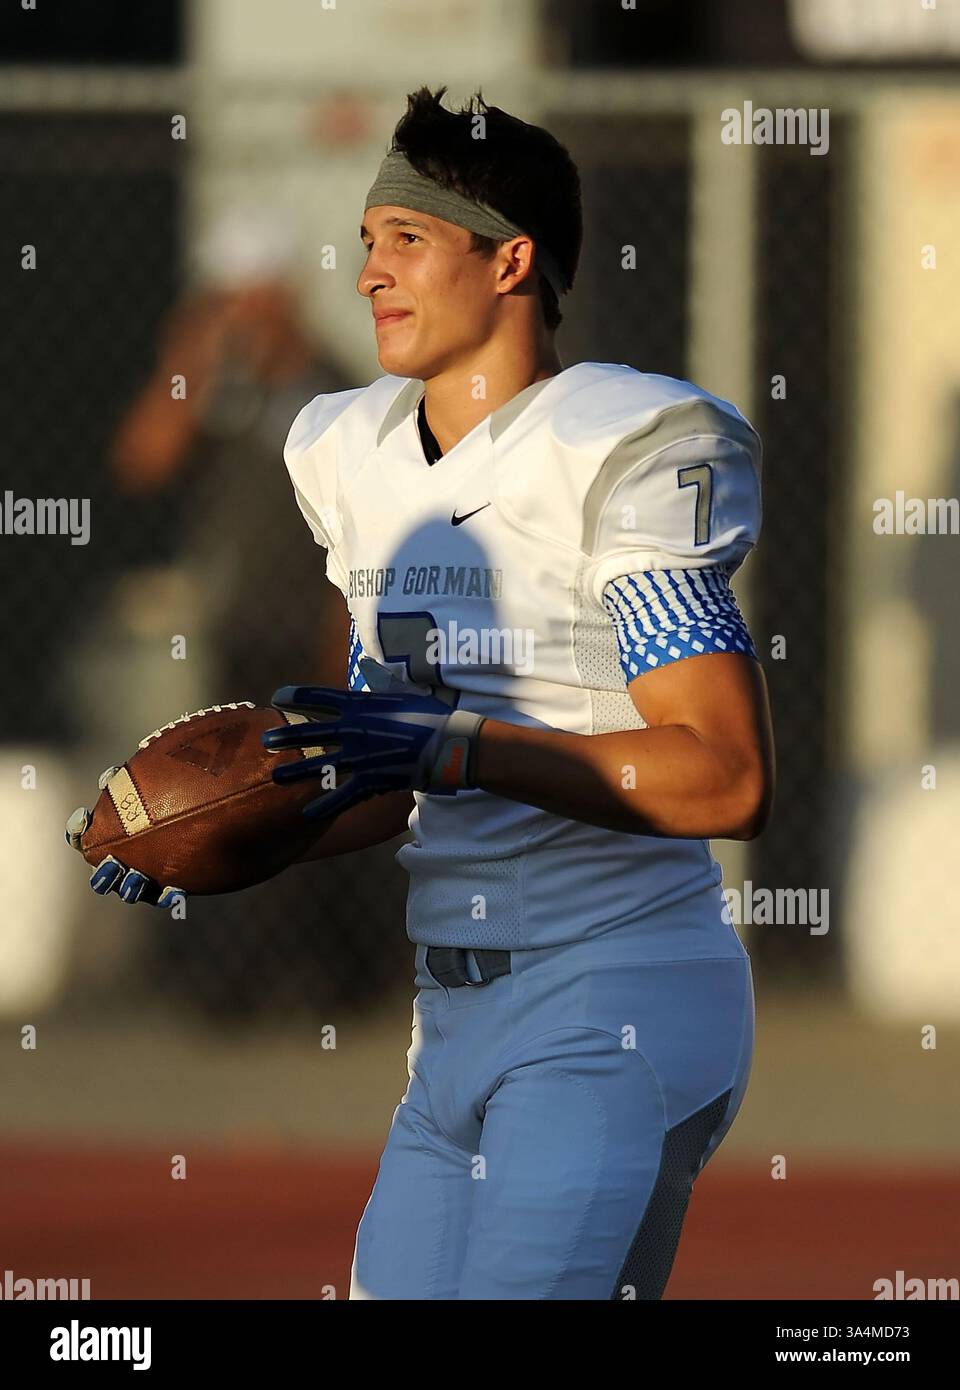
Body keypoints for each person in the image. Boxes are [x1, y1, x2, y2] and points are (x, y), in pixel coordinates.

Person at [69, 86, 775, 1298]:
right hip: (448, 1022)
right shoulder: (352, 455)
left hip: (607, 1003)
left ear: (511, 260)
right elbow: (383, 773)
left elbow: (725, 771)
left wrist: (458, 746)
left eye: (407, 239)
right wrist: (249, 827)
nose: (368, 276)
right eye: (364, 244)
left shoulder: (617, 447)